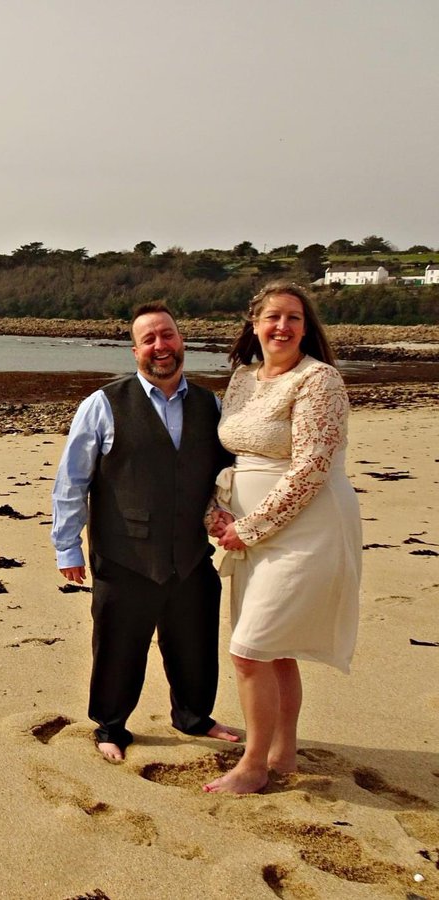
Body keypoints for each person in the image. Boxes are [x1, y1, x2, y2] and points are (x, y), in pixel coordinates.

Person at [51, 302, 240, 762]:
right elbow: (72, 480)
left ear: (182, 341)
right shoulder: (103, 405)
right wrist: (67, 547)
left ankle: (193, 716)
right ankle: (111, 726)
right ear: (135, 350)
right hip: (124, 554)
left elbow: (227, 471)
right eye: (150, 339)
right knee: (119, 647)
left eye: (168, 336)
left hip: (191, 554)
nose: (161, 346)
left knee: (194, 642)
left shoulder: (209, 404)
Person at [203, 281, 361, 794]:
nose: (282, 327)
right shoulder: (243, 378)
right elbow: (232, 457)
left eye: (294, 318)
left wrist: (249, 528)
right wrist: (217, 511)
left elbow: (312, 468)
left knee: (250, 650)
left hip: (307, 530)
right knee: (274, 649)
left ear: (306, 327)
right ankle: (284, 751)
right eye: (272, 316)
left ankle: (253, 765)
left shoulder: (321, 381)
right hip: (248, 533)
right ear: (254, 324)